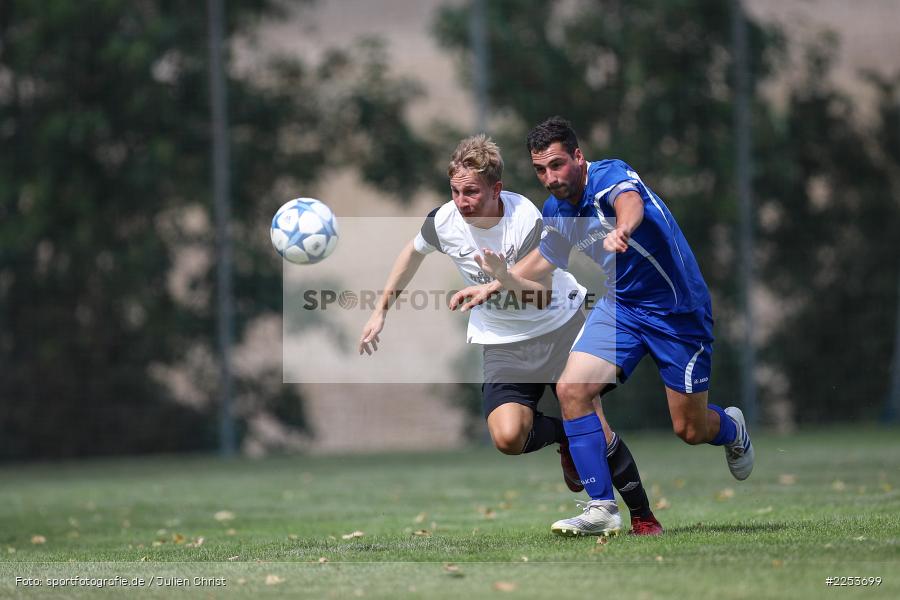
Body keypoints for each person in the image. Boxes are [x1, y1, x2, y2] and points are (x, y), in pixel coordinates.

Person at [451, 117, 754, 537]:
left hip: (677, 315)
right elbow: (542, 261)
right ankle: (601, 507)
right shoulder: (558, 210)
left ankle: (733, 428)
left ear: (578, 156)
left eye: (557, 165)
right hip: (622, 308)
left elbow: (631, 203)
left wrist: (623, 229)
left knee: (690, 429)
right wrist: (494, 285)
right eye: (540, 170)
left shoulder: (609, 175)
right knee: (572, 389)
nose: (550, 177)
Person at [359, 134, 663, 536]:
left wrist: (503, 277)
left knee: (595, 424)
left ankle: (643, 517)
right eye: (455, 191)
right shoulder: (444, 220)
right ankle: (568, 438)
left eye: (471, 192)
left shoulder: (527, 220)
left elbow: (538, 298)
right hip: (503, 341)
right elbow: (411, 253)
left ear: (495, 189)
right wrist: (380, 311)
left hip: (559, 328)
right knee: (508, 437)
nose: (462, 201)